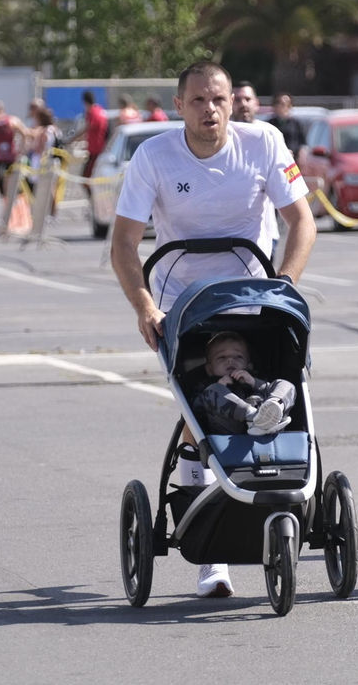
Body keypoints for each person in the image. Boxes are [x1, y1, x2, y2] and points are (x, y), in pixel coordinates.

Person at [110, 60, 317, 599]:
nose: (211, 110)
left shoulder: (264, 142)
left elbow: (302, 222)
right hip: (185, 303)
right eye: (199, 100)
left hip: (254, 299)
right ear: (179, 106)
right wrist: (145, 308)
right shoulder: (154, 156)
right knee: (200, 406)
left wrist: (285, 286)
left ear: (234, 102)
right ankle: (212, 554)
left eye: (219, 99)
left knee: (274, 386)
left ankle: (281, 469)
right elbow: (124, 244)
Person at [194, 332, 296, 436]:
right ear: (210, 369)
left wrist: (255, 383)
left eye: (238, 357)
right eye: (222, 357)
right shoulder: (207, 386)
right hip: (230, 430)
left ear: (249, 366)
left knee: (285, 384)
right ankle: (255, 418)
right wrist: (220, 387)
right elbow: (196, 408)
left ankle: (274, 407)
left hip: (271, 423)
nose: (230, 360)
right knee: (212, 391)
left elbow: (271, 388)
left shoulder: (253, 379)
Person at [0, 101, 24, 218]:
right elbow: (24, 133)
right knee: (8, 185)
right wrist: (21, 151)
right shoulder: (12, 120)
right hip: (10, 156)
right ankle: (8, 213)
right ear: (3, 109)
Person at [70, 91, 110, 198]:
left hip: (95, 150)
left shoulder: (92, 113)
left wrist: (72, 139)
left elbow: (87, 129)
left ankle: (94, 201)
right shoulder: (101, 111)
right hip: (100, 149)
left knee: (85, 178)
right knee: (92, 178)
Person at [266, 92, 306, 158]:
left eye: (288, 104)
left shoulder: (296, 123)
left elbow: (302, 143)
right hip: (275, 159)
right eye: (282, 104)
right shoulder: (269, 124)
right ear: (275, 106)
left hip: (293, 161)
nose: (285, 107)